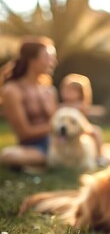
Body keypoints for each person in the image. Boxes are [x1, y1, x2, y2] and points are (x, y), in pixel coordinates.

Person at [0, 38, 58, 171]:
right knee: (9, 155)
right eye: (47, 57)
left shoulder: (49, 90)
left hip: (57, 141)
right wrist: (56, 126)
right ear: (32, 60)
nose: (53, 62)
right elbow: (24, 133)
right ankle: (52, 159)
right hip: (33, 147)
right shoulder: (12, 90)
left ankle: (51, 160)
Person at [59, 73, 103, 160]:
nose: (69, 93)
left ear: (80, 93)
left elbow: (83, 121)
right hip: (66, 128)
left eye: (72, 91)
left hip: (82, 127)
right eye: (67, 90)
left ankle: (99, 156)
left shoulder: (80, 106)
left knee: (96, 132)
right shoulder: (61, 106)